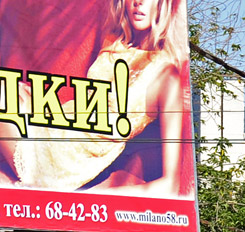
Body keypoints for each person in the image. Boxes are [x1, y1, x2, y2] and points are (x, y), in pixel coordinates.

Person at [0, 0, 191, 195]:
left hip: (67, 163)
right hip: (57, 127)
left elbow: (171, 185)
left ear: (164, 4)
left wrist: (98, 198)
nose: (138, 2)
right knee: (12, 86)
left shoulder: (167, 76)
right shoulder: (116, 44)